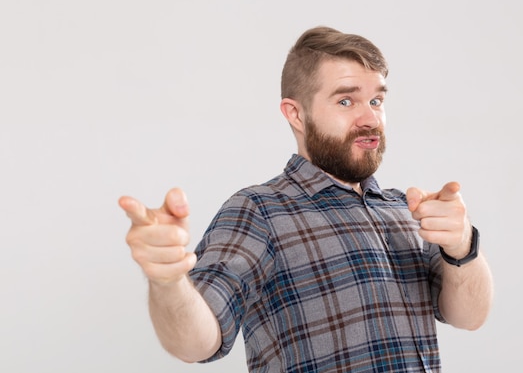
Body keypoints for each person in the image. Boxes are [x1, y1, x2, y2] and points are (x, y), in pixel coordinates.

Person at [119, 26, 494, 372]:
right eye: (346, 102)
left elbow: (469, 317)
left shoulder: (405, 210)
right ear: (296, 114)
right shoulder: (259, 211)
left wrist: (461, 247)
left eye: (377, 101)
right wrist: (168, 280)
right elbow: (198, 343)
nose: (370, 119)